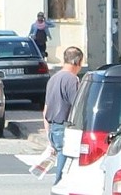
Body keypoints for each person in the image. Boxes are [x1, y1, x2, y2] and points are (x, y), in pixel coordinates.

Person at [43, 46, 84, 186]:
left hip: (53, 127)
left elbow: (45, 110)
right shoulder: (72, 80)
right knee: (64, 172)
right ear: (76, 62)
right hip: (64, 128)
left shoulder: (53, 79)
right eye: (81, 63)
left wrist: (48, 135)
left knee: (63, 167)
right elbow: (78, 106)